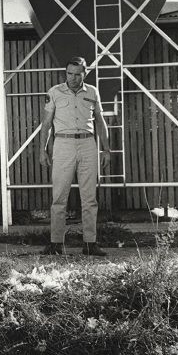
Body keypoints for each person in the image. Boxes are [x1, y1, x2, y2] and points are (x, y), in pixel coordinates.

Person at [38, 56, 111, 256]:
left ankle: (90, 243)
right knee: (59, 197)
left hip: (88, 144)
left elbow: (100, 122)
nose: (73, 78)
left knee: (90, 198)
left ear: (84, 74)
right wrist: (42, 150)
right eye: (69, 73)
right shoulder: (54, 92)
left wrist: (106, 149)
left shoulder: (93, 92)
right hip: (63, 145)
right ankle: (56, 244)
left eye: (77, 74)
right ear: (66, 73)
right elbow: (46, 124)